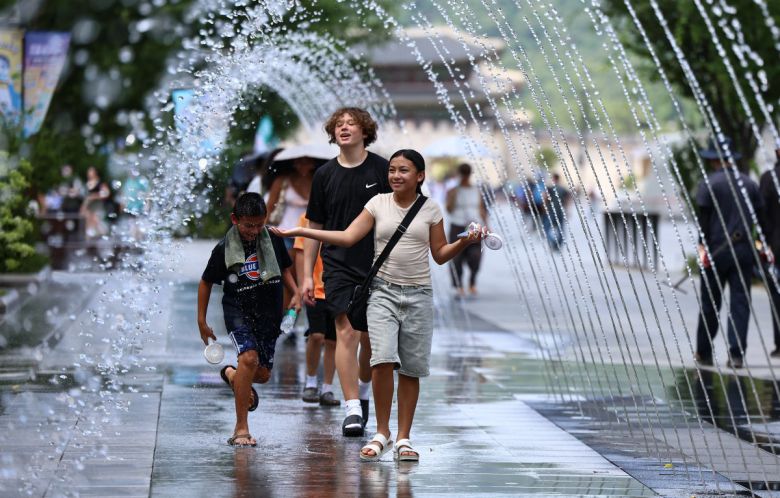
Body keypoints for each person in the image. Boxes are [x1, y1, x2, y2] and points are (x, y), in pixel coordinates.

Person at [273, 149, 487, 462]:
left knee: (411, 369)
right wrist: (301, 231)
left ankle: (403, 438)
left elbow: (440, 254)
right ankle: (381, 432)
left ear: (420, 176)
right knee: (381, 361)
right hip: (382, 292)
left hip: (418, 295)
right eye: (392, 170)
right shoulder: (377, 204)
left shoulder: (431, 209)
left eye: (404, 170)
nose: (396, 176)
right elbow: (346, 237)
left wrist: (465, 241)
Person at [302, 107, 391, 437]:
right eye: (339, 124)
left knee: (370, 338)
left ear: (365, 131)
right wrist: (307, 275)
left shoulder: (383, 169)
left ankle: (364, 393)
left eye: (351, 124)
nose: (344, 128)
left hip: (376, 263)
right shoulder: (324, 174)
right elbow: (315, 225)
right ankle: (352, 407)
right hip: (337, 264)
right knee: (346, 331)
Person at [197, 192, 300, 446]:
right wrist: (202, 321)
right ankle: (241, 429)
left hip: (269, 313)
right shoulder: (224, 248)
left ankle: (234, 376)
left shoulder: (273, 240)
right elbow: (206, 282)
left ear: (265, 219)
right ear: (235, 219)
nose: (253, 231)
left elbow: (285, 269)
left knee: (262, 374)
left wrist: (295, 292)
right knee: (249, 358)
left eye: (259, 224)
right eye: (248, 225)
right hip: (238, 311)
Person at [694, 137, 765, 369]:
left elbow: (703, 222)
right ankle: (736, 354)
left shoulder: (708, 184)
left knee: (710, 303)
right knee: (740, 303)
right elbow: (760, 219)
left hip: (715, 250)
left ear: (715, 160)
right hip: (742, 250)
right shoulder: (750, 184)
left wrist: (701, 248)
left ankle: (704, 351)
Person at [293, 213, 339, 406]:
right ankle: (311, 381)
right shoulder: (307, 218)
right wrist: (302, 284)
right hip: (315, 288)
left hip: (337, 287)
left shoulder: (342, 213)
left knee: (333, 341)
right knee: (317, 335)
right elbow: (300, 252)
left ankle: (327, 388)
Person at [446, 163, 487, 298]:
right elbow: (449, 209)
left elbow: (481, 209)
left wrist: (486, 225)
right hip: (457, 224)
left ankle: (472, 282)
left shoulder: (476, 190)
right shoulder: (453, 191)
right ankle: (459, 286)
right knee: (456, 257)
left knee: (476, 255)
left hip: (474, 226)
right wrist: (454, 195)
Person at [759, 148, 780, 358]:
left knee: (777, 294)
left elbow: (760, 212)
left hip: (776, 245)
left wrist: (766, 237)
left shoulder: (768, 178)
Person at [543, 173, 571, 250]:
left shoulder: (550, 188)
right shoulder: (563, 189)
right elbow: (568, 200)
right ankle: (558, 244)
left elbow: (545, 198)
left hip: (551, 211)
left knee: (546, 228)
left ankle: (554, 242)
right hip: (560, 211)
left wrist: (545, 208)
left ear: (553, 179)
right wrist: (567, 210)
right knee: (560, 229)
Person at [81, 166, 110, 238]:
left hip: (98, 208)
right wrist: (83, 208)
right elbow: (86, 198)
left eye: (91, 171)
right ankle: (88, 246)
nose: (89, 174)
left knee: (99, 226)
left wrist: (94, 196)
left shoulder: (100, 183)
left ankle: (102, 244)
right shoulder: (87, 184)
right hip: (89, 209)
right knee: (89, 228)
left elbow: (106, 193)